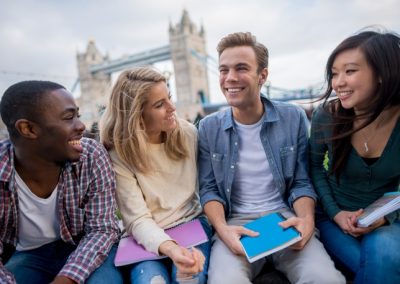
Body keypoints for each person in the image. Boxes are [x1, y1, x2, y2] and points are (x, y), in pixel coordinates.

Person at [197, 32, 345, 284]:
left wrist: (307, 222)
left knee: (325, 279)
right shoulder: (208, 127)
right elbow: (209, 189)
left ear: (262, 75)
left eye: (241, 68)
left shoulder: (293, 117)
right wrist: (223, 231)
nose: (230, 78)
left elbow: (300, 181)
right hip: (236, 224)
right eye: (223, 70)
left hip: (284, 218)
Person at [0, 81, 122, 284]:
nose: (81, 126)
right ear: (28, 128)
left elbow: (102, 229)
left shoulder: (91, 155)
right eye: (68, 118)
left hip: (86, 245)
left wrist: (66, 279)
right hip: (31, 255)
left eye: (78, 116)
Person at [99, 67, 211, 284]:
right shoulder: (118, 155)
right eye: (159, 105)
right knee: (151, 281)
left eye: (169, 97)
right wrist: (170, 248)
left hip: (191, 226)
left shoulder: (189, 134)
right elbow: (138, 219)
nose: (172, 107)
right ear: (136, 116)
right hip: (144, 237)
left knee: (189, 279)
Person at [310, 29, 400, 283]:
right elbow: (314, 169)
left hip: (386, 221)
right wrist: (336, 213)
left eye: (349, 71)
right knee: (379, 266)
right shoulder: (326, 116)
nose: (337, 83)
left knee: (382, 256)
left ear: (382, 73)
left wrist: (385, 216)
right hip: (333, 217)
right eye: (334, 74)